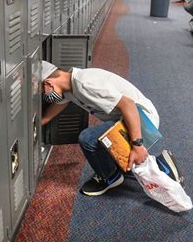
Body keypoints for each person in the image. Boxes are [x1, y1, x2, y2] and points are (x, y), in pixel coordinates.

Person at [40, 60, 164, 196]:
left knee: (88, 139)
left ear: (48, 83)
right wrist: (43, 120)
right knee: (106, 142)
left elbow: (128, 105)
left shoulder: (85, 84)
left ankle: (111, 177)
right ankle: (160, 166)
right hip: (129, 118)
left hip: (142, 120)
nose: (44, 95)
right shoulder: (70, 85)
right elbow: (60, 103)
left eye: (42, 91)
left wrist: (137, 144)